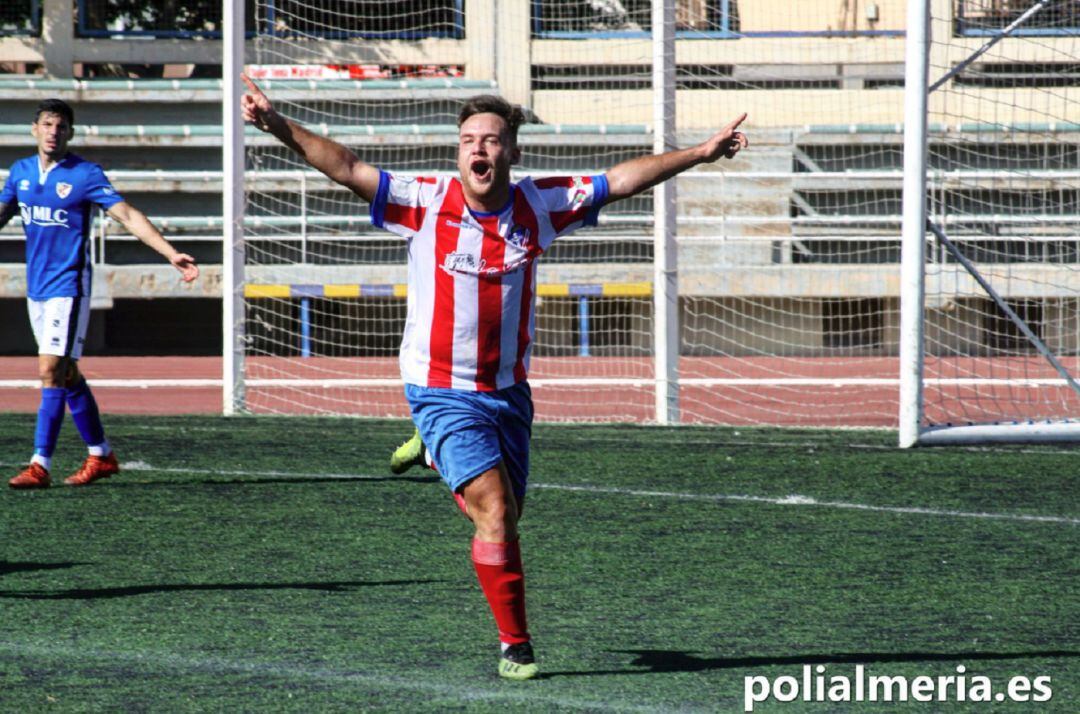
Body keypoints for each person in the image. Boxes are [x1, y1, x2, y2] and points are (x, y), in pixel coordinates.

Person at [241, 74, 747, 679]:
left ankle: (434, 454)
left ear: (513, 152)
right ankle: (515, 644)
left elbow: (620, 180)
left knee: (506, 517)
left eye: (491, 139)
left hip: (508, 392)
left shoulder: (540, 204)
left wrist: (699, 153)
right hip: (438, 387)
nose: (478, 148)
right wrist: (276, 125)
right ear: (459, 152)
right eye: (468, 140)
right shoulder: (425, 200)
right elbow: (347, 166)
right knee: (496, 516)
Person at [1, 99, 199, 489]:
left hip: (68, 285)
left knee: (49, 371)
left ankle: (39, 464)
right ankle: (101, 454)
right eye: (47, 124)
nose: (53, 131)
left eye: (61, 125)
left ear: (70, 133)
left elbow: (126, 214)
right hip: (36, 286)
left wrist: (170, 252)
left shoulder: (85, 175)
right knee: (67, 372)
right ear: (34, 129)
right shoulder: (20, 172)